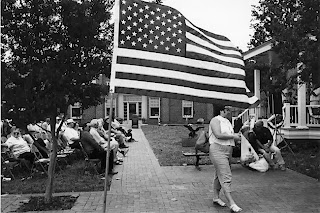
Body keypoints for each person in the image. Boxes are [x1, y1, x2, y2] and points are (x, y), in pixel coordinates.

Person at [209, 105, 242, 213]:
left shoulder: (227, 122)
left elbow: (230, 136)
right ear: (222, 110)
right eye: (227, 109)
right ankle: (232, 203)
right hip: (217, 149)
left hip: (228, 150)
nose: (229, 111)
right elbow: (218, 134)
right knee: (225, 175)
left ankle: (216, 197)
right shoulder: (215, 120)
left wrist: (237, 137)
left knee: (219, 174)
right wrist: (233, 137)